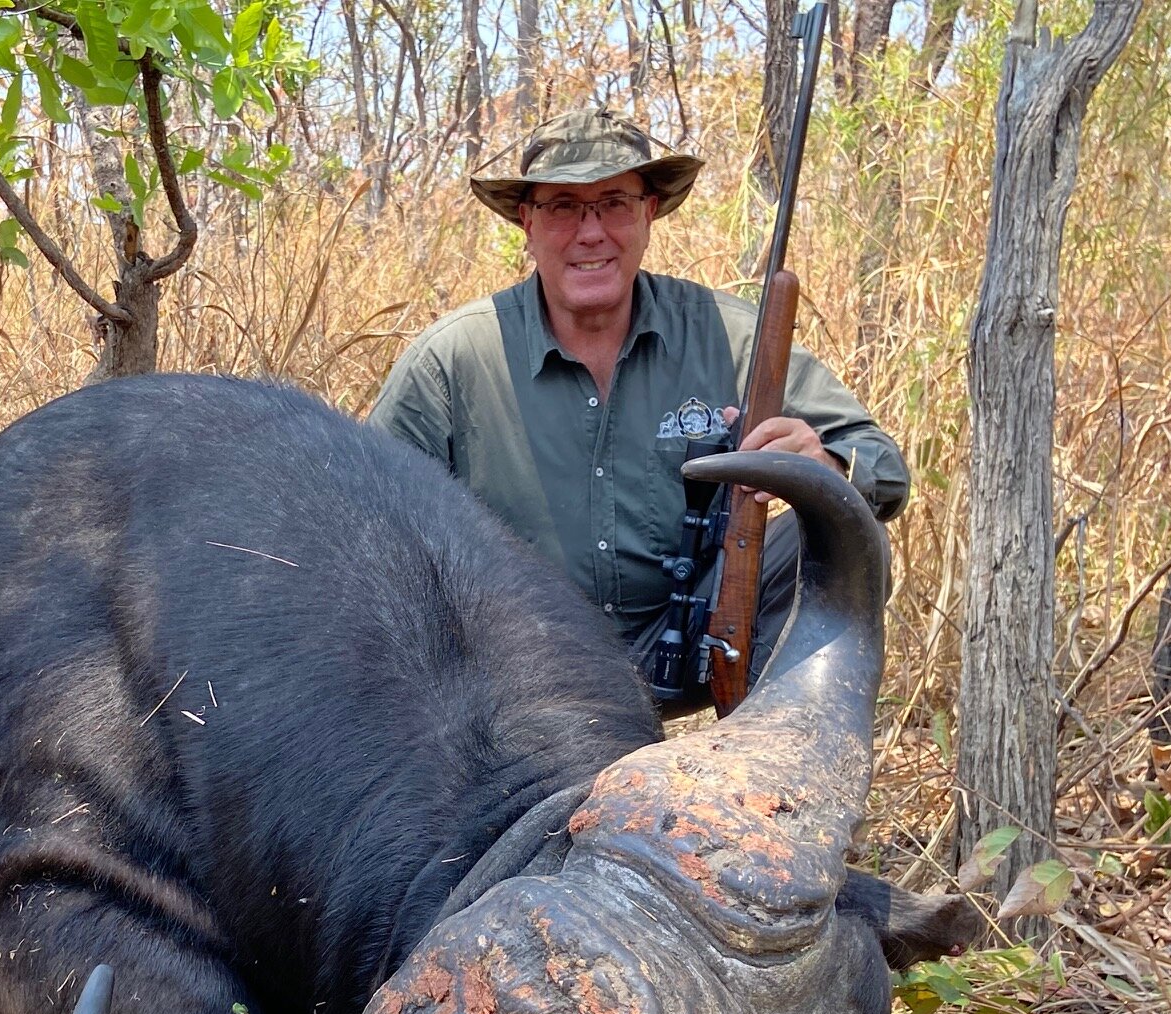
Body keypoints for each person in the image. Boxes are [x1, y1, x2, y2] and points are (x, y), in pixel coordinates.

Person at [369, 108, 909, 698]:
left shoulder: (729, 336)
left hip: (687, 639)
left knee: (850, 542)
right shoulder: (454, 359)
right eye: (564, 207)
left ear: (649, 212)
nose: (590, 231)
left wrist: (819, 469)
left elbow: (881, 467)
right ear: (527, 222)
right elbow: (363, 519)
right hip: (516, 672)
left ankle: (769, 753)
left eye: (614, 203)